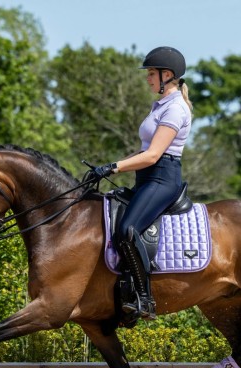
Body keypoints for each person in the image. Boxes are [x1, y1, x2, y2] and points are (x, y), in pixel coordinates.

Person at [91, 46, 194, 320]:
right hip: (147, 178)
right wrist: (108, 169)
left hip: (162, 179)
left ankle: (144, 299)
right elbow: (142, 151)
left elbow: (153, 155)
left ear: (167, 75)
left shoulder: (176, 109)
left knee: (127, 228)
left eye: (151, 73)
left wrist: (113, 167)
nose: (148, 79)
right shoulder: (159, 106)